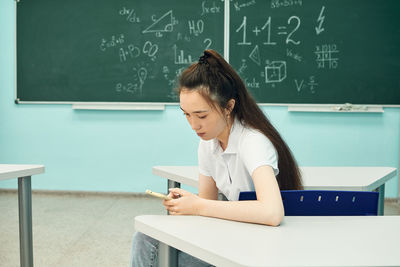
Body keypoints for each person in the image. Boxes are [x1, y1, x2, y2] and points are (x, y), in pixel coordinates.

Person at [130, 49, 303, 267]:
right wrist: (186, 205)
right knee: (146, 239)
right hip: (234, 235)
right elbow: (207, 207)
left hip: (262, 246)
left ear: (229, 106)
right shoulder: (208, 144)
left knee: (157, 252)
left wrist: (198, 206)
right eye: (186, 115)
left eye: (201, 115)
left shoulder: (252, 142)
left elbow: (272, 213)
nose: (194, 125)